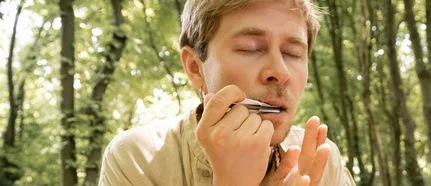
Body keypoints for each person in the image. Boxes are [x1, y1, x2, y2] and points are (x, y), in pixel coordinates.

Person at [98, 0, 355, 185]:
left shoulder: (323, 161)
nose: (280, 71)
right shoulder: (137, 159)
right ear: (195, 67)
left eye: (293, 54)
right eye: (250, 48)